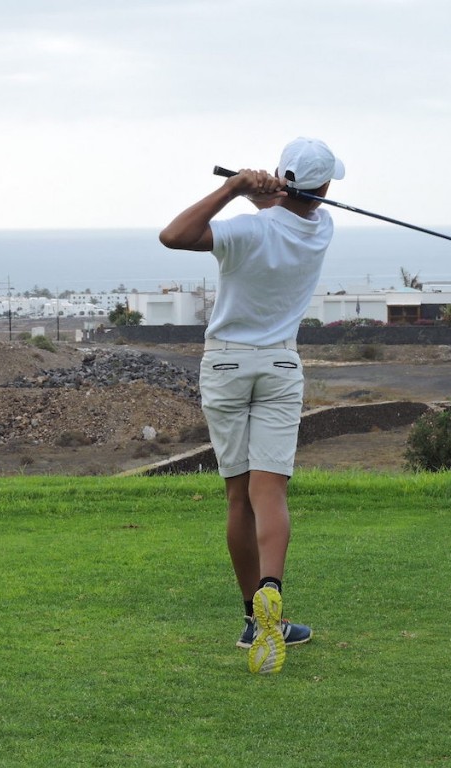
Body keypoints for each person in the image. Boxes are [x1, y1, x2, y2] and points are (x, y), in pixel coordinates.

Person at [159, 137, 344, 674]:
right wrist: (261, 193)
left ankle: (251, 618)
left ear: (283, 178)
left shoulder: (247, 230)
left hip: (225, 365)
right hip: (281, 367)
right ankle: (273, 593)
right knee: (272, 489)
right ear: (325, 188)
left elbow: (174, 235)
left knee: (238, 497)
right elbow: (284, 214)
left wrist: (234, 187)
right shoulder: (320, 229)